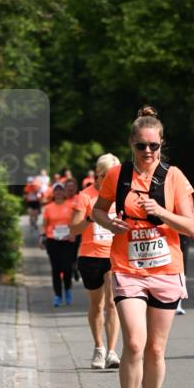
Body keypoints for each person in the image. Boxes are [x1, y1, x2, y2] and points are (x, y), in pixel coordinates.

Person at [93, 105, 194, 388]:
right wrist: (110, 223)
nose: (148, 152)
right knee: (134, 342)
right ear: (131, 144)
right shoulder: (117, 175)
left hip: (166, 270)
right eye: (142, 146)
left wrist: (161, 212)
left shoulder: (175, 177)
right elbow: (97, 210)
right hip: (128, 269)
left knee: (155, 348)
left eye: (154, 146)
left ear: (162, 144)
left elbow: (192, 228)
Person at [69, 153, 121, 369]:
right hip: (90, 256)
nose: (107, 181)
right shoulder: (85, 196)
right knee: (96, 305)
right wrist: (91, 218)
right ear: (97, 176)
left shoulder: (121, 196)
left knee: (112, 303)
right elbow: (74, 229)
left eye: (113, 177)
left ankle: (111, 352)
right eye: (104, 176)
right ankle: (98, 347)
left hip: (114, 255)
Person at [39, 181, 77, 307]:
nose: (59, 192)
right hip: (53, 240)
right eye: (56, 190)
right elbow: (44, 225)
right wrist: (41, 237)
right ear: (53, 193)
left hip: (67, 241)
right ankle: (57, 295)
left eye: (61, 190)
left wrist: (74, 234)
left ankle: (67, 290)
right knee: (56, 269)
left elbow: (76, 222)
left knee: (67, 267)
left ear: (64, 192)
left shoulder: (71, 205)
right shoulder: (48, 207)